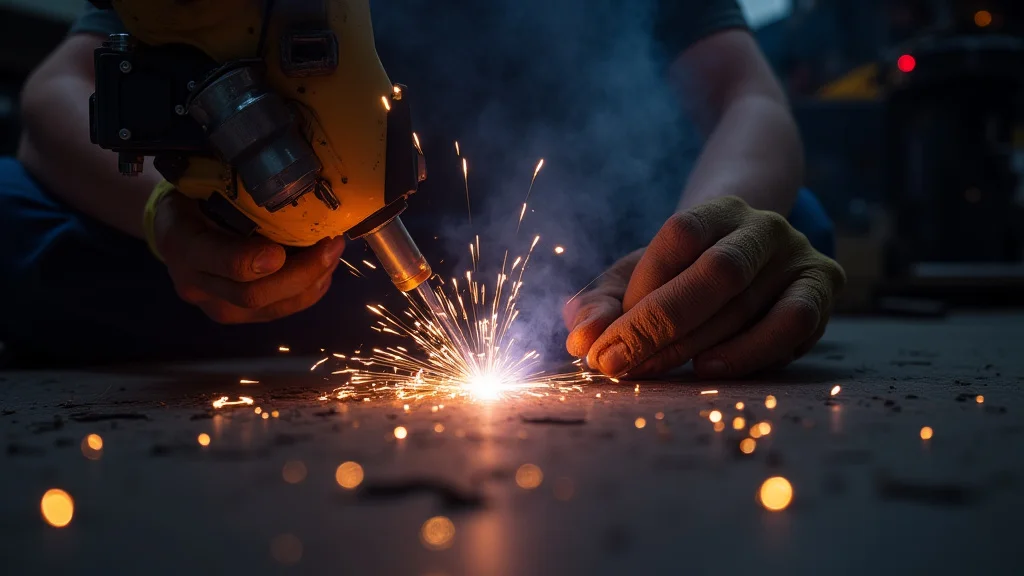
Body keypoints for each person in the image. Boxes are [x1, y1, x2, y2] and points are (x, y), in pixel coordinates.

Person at [0, 0, 843, 373]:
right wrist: (168, 215)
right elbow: (55, 98)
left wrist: (698, 240)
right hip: (280, 268)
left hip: (580, 271)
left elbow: (746, 97)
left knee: (775, 229)